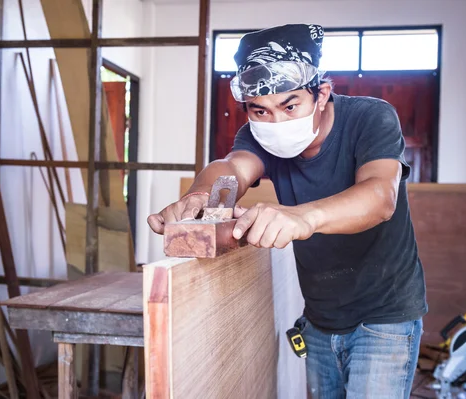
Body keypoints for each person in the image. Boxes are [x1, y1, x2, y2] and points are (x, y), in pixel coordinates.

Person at [148, 23, 427, 399]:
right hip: (320, 318)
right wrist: (203, 195)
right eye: (259, 110)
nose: (275, 122)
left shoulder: (370, 118)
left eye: (290, 105)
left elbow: (380, 197)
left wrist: (301, 218)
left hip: (385, 315)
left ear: (322, 93)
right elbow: (232, 169)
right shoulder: (258, 137)